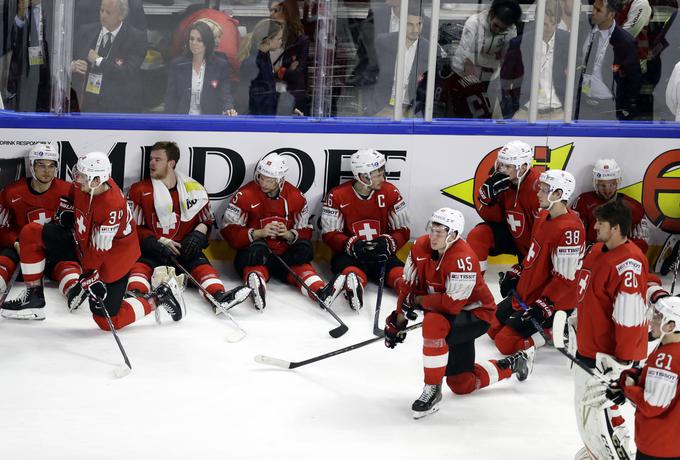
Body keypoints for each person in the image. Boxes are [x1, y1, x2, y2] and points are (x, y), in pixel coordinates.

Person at [384, 207, 535, 419]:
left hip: (476, 315)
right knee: (461, 383)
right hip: (451, 314)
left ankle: (432, 390)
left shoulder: (463, 259)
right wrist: (398, 321)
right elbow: (409, 286)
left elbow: (449, 305)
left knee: (434, 322)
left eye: (440, 231)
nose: (433, 235)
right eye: (432, 228)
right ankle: (514, 363)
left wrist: (418, 301)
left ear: (453, 235)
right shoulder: (419, 246)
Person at [20, 152, 185, 331]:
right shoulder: (85, 183)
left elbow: (98, 253)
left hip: (114, 258)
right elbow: (69, 197)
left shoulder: (112, 207)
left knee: (107, 322)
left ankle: (159, 297)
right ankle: (33, 295)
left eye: (82, 176)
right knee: (32, 232)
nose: (77, 179)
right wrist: (65, 210)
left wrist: (89, 276)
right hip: (83, 241)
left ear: (97, 180)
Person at [573, 198, 665, 460]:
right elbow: (589, 294)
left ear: (615, 228)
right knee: (590, 408)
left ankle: (610, 453)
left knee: (594, 408)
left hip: (607, 354)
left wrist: (622, 360)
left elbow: (630, 317)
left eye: (600, 224)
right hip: (589, 344)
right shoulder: (596, 250)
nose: (595, 228)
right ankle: (606, 446)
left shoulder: (629, 264)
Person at [126, 142, 250, 314]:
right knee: (140, 265)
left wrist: (198, 236)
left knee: (201, 265)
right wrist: (157, 242)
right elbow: (133, 227)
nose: (152, 163)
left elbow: (206, 220)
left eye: (158, 159)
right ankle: (135, 295)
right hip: (153, 249)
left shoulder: (195, 190)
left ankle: (219, 296)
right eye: (151, 159)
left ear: (172, 163)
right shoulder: (138, 190)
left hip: (183, 250)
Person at [221, 152, 344, 310]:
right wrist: (258, 233)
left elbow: (305, 229)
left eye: (269, 180)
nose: (263, 183)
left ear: (280, 180)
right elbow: (228, 230)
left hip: (283, 253)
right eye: (261, 177)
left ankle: (320, 292)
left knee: (303, 252)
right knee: (256, 255)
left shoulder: (296, 196)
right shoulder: (243, 195)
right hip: (257, 252)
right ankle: (257, 286)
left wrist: (289, 234)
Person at [488, 169, 585, 356]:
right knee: (492, 328)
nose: (538, 193)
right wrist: (516, 273)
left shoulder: (570, 230)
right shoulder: (542, 216)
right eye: (540, 188)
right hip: (529, 292)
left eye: (544, 189)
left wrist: (544, 306)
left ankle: (554, 330)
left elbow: (565, 278)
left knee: (504, 343)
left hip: (554, 301)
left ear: (558, 194)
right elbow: (533, 255)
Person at [582, 295, 680, 460]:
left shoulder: (667, 358)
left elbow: (652, 405)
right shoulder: (668, 346)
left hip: (658, 446)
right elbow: (656, 380)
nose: (651, 321)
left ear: (671, 326)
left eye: (658, 317)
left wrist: (628, 389)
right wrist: (629, 377)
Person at [0, 143, 82, 320]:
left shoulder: (68, 190)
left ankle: (73, 289)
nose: (47, 171)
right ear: (32, 166)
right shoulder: (11, 192)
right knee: (6, 257)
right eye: (41, 165)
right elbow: (3, 227)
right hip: (24, 253)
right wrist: (15, 242)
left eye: (51, 165)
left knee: (66, 263)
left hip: (55, 251)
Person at [321, 149, 410, 311]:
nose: (383, 178)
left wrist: (389, 242)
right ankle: (354, 285)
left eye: (383, 172)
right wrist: (353, 245)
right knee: (350, 268)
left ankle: (406, 290)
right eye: (378, 174)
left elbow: (403, 229)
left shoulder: (391, 192)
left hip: (381, 253)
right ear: (363, 176)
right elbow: (329, 234)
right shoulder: (337, 195)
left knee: (398, 272)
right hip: (350, 255)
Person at [466, 140, 540, 274]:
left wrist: (524, 266)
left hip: (534, 248)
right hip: (513, 237)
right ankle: (475, 283)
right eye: (501, 165)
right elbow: (494, 220)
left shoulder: (538, 189)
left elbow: (544, 234)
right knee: (479, 235)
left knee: (516, 289)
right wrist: (488, 201)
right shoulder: (501, 181)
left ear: (523, 166)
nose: (502, 170)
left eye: (508, 166)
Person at [446, 0, 521, 118]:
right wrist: (475, 88)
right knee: (468, 114)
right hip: (462, 74)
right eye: (495, 25)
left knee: (490, 115)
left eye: (502, 29)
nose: (497, 31)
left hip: (490, 78)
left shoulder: (511, 30)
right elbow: (468, 62)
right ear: (491, 14)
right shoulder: (474, 23)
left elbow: (506, 59)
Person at [70, 0, 147, 113]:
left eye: (108, 13)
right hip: (88, 104)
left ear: (121, 16)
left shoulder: (135, 38)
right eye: (102, 11)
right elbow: (69, 57)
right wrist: (73, 65)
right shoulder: (85, 32)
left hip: (119, 106)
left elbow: (127, 72)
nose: (103, 16)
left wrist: (98, 60)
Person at [500, 0, 569, 120]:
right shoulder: (518, 43)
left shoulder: (567, 41)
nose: (549, 29)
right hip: (524, 112)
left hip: (557, 112)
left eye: (554, 24)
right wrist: (511, 111)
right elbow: (505, 81)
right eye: (545, 24)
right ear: (537, 18)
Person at [574, 0, 641, 121]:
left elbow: (633, 80)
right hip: (581, 103)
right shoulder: (583, 30)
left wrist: (623, 110)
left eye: (598, 10)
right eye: (593, 8)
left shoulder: (625, 42)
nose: (593, 12)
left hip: (608, 108)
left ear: (611, 14)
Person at [362, 3, 430, 117]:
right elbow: (369, 74)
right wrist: (369, 105)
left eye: (419, 24)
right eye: (410, 24)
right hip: (383, 106)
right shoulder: (383, 43)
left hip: (414, 109)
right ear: (401, 23)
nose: (415, 30)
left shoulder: (429, 49)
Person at [571, 158, 649, 254]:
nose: (607, 190)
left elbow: (642, 242)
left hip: (621, 258)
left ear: (618, 182)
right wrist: (592, 251)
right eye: (602, 186)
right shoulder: (583, 201)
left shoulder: (633, 207)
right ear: (596, 184)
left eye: (612, 185)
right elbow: (574, 234)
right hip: (591, 256)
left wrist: (620, 253)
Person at [165, 21, 237, 116]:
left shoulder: (220, 65)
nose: (194, 43)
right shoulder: (177, 65)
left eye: (199, 40)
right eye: (192, 39)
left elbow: (225, 94)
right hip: (183, 120)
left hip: (208, 121)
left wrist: (229, 108)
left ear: (207, 43)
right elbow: (171, 97)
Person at [237, 19, 299, 116]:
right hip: (257, 120)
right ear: (268, 39)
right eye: (279, 39)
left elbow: (268, 92)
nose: (281, 42)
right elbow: (256, 98)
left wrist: (291, 108)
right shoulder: (253, 63)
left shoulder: (264, 57)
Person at [7, 0, 52, 112]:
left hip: (48, 72)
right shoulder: (15, 8)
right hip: (25, 74)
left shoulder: (52, 8)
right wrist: (21, 12)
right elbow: (11, 42)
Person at [269, 0, 310, 115]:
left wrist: (276, 70)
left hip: (290, 97)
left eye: (276, 11)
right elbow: (261, 70)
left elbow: (297, 75)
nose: (271, 14)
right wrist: (286, 70)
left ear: (288, 13)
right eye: (270, 10)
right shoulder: (266, 36)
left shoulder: (300, 41)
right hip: (269, 95)